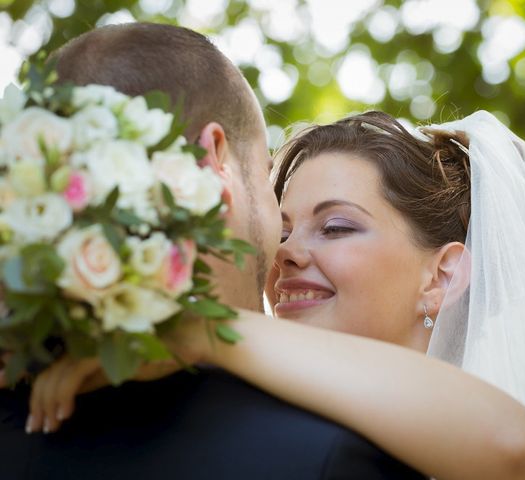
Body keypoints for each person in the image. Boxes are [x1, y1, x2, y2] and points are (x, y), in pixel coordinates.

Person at [24, 111, 525, 478]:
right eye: (283, 229)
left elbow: (511, 452)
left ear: (442, 276)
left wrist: (204, 328)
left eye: (337, 226)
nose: (287, 252)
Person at [0, 24, 425, 480]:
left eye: (337, 227)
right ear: (215, 159)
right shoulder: (331, 453)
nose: (288, 252)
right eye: (264, 176)